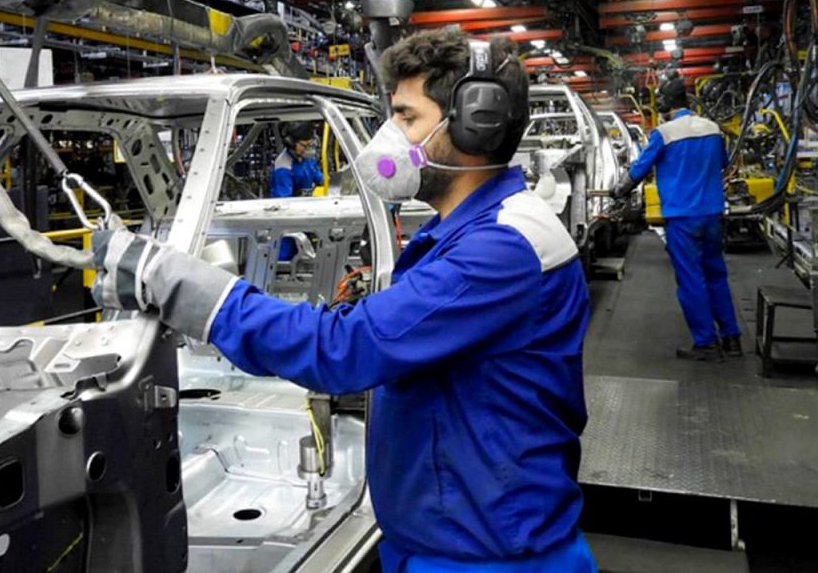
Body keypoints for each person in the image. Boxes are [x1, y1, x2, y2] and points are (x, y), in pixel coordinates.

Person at [91, 29, 597, 572]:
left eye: (406, 118)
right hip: (453, 537)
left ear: (478, 124)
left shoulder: (502, 249)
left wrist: (176, 284)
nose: (389, 138)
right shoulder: (466, 232)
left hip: (493, 556)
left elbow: (344, 348)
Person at [611, 74, 741, 362]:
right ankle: (732, 338)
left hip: (683, 218)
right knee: (716, 274)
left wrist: (618, 191)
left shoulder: (665, 133)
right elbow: (722, 163)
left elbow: (640, 168)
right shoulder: (712, 128)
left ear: (665, 104)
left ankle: (706, 343)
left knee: (691, 279)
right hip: (712, 213)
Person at [270, 122, 324, 261]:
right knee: (285, 257)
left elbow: (320, 178)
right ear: (291, 143)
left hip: (306, 215)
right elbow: (284, 204)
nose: (308, 149)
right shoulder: (283, 167)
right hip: (288, 224)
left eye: (310, 145)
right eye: (305, 146)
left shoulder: (306, 159)